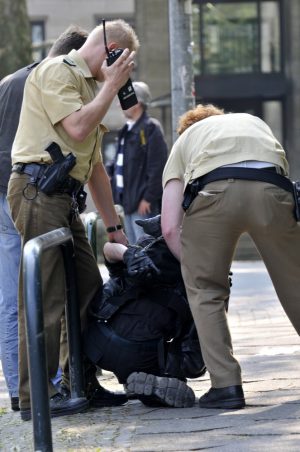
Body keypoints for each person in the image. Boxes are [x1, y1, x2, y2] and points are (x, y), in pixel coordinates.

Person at [7, 19, 139, 421]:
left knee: (86, 285)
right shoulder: (56, 72)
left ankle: (78, 381)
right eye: (124, 61)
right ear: (111, 49)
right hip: (37, 190)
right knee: (45, 295)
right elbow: (78, 128)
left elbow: (94, 164)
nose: (125, 71)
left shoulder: (87, 87)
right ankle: (36, 398)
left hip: (62, 196)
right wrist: (112, 86)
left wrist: (114, 228)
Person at [161, 103, 300, 410]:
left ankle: (226, 387)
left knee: (206, 290)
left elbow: (170, 228)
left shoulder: (185, 141)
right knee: (295, 283)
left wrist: (197, 266)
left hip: (213, 193)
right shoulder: (252, 122)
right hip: (272, 188)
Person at [0, 25, 89, 413]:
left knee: (15, 296)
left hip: (10, 192)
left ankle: (22, 392)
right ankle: (46, 387)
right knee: (40, 290)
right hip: (31, 190)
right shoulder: (52, 81)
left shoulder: (7, 82)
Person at [83, 215, 206, 408]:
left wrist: (128, 254)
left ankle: (123, 378)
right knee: (182, 357)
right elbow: (194, 364)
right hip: (142, 355)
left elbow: (109, 249)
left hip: (94, 342)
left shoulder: (141, 254)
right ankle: (161, 375)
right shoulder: (196, 280)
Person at [109, 81, 168, 244]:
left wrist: (148, 198)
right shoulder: (126, 130)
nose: (121, 104)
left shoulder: (150, 128)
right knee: (136, 247)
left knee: (146, 247)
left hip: (142, 203)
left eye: (125, 99)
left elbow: (158, 167)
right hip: (127, 201)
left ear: (138, 103)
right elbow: (117, 162)